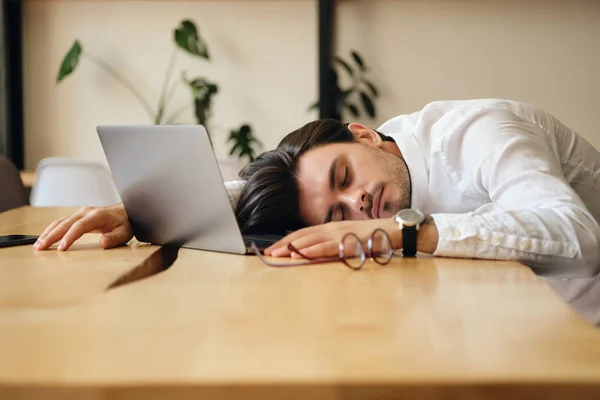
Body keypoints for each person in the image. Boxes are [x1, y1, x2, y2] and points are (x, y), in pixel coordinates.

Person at [34, 98, 600, 324]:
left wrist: (401, 233)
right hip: (505, 322)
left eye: (344, 178)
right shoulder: (354, 167)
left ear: (365, 135)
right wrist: (146, 209)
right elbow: (298, 187)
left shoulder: (481, 134)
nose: (356, 205)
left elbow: (577, 234)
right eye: (336, 215)